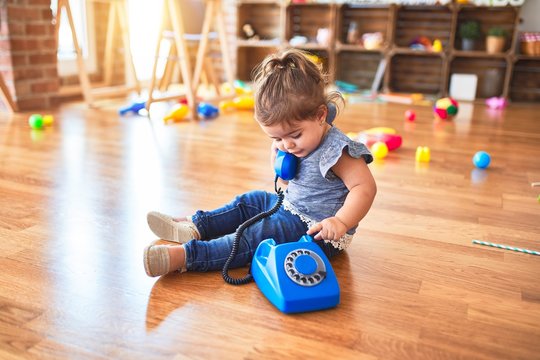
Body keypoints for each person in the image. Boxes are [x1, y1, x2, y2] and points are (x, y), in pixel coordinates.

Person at [143, 49, 377, 277]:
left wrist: (341, 221)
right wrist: (278, 160)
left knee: (254, 235)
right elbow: (286, 181)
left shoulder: (338, 150)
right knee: (249, 202)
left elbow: (364, 187)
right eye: (276, 138)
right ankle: (195, 226)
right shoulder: (295, 141)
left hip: (317, 232)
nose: (287, 145)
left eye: (294, 135)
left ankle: (185, 257)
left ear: (320, 115)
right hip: (290, 207)